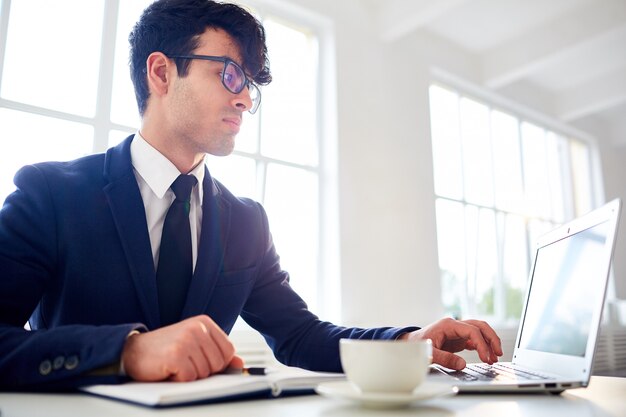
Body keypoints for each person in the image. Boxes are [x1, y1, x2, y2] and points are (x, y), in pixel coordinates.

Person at [0, 0, 502, 390]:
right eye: (229, 73)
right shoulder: (49, 194)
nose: (244, 98)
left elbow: (301, 335)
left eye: (249, 86)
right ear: (161, 73)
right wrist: (126, 351)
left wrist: (407, 342)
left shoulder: (245, 222)